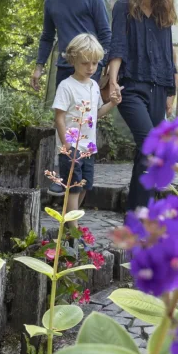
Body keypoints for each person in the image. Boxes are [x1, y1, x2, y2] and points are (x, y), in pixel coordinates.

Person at [107, 0, 178, 210]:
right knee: (150, 143)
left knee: (147, 153)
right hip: (131, 86)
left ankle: (138, 215)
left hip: (158, 86)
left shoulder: (164, 10)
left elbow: (167, 52)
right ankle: (139, 212)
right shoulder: (123, 7)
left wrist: (171, 91)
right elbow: (117, 45)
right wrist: (113, 80)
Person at [51, 34, 121, 222]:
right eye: (85, 63)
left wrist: (113, 103)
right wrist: (66, 144)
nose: (91, 68)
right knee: (74, 189)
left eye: (95, 63)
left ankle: (69, 225)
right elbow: (59, 118)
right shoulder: (66, 86)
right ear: (73, 60)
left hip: (89, 148)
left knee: (84, 188)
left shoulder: (94, 87)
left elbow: (96, 113)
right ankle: (74, 234)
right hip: (71, 147)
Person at [31, 0, 111, 91]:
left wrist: (103, 65)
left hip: (90, 68)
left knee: (86, 112)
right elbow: (47, 37)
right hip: (64, 68)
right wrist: (39, 67)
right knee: (63, 112)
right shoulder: (51, 2)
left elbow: (105, 34)